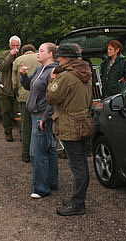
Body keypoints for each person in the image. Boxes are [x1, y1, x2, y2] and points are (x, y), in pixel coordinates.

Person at [46, 44, 94, 216]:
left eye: (59, 57)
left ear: (65, 58)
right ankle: (77, 199)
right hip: (84, 122)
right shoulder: (85, 73)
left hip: (70, 124)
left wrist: (52, 80)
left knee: (77, 166)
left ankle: (78, 203)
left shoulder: (66, 76)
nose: (58, 60)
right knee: (82, 164)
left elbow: (52, 98)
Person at [20, 43, 60, 199]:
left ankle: (41, 188)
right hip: (36, 115)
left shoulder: (52, 72)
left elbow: (53, 98)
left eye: (41, 51)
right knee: (49, 149)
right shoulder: (39, 69)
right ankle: (52, 182)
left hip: (41, 116)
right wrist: (23, 76)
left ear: (50, 54)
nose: (38, 53)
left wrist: (46, 117)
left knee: (37, 153)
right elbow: (30, 86)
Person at [12, 44, 40, 163]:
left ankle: (26, 154)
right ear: (33, 51)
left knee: (26, 126)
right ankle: (39, 153)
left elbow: (14, 81)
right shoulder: (40, 58)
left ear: (23, 52)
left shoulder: (18, 60)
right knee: (39, 126)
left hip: (24, 97)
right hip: (39, 96)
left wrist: (16, 92)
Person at [0, 35, 21, 142]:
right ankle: (8, 132)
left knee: (19, 113)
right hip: (5, 90)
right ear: (9, 45)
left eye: (17, 45)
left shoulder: (23, 55)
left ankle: (22, 134)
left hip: (18, 90)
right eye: (13, 45)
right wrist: (10, 56)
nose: (15, 48)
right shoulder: (3, 55)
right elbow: (2, 67)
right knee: (5, 113)